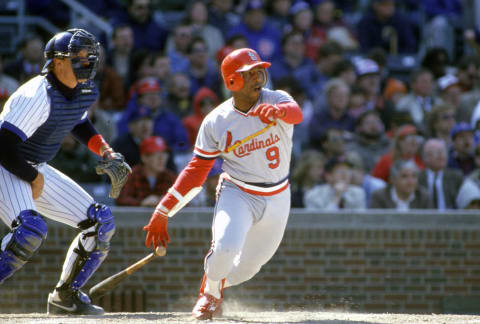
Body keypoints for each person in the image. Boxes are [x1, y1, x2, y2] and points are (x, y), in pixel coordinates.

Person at [142, 48, 302, 320]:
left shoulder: (277, 99)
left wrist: (277, 112)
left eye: (259, 70)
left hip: (277, 195)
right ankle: (210, 295)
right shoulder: (216, 121)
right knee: (225, 248)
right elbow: (196, 172)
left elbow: (295, 113)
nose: (258, 77)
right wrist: (164, 209)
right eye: (249, 73)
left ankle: (213, 281)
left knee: (250, 268)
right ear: (231, 82)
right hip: (238, 192)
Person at [0, 29, 131, 315]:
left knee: (101, 221)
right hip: (6, 165)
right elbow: (3, 145)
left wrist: (106, 151)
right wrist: (33, 178)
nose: (87, 61)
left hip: (33, 165)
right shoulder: (37, 94)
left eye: (89, 56)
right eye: (78, 57)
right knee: (29, 231)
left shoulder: (82, 88)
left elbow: (80, 123)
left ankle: (65, 296)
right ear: (57, 62)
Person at [116, 136, 176, 207]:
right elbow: (120, 199)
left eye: (164, 154)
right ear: (144, 158)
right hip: (137, 218)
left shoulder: (170, 177)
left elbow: (185, 201)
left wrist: (170, 201)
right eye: (156, 154)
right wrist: (142, 202)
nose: (162, 159)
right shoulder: (132, 175)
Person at [418, 139, 463, 210]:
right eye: (437, 153)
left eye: (443, 152)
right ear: (425, 157)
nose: (441, 156)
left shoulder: (456, 177)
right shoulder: (418, 177)